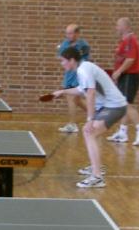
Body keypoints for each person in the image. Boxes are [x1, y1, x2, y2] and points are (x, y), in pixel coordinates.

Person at [53, 47, 127, 189]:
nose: (62, 64)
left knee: (89, 132)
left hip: (114, 106)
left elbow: (90, 94)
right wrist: (63, 92)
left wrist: (90, 120)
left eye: (63, 61)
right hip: (107, 106)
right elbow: (81, 90)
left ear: (71, 60)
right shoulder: (84, 68)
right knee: (92, 133)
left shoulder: (83, 70)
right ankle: (96, 167)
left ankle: (97, 177)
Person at [106, 17, 139, 146]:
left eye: (118, 25)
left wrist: (119, 71)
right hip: (125, 76)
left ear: (125, 26)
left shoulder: (131, 40)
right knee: (124, 103)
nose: (116, 28)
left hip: (130, 75)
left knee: (126, 104)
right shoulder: (124, 41)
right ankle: (122, 132)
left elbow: (131, 59)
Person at [56, 24, 91, 134]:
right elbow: (61, 56)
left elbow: (80, 59)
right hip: (68, 75)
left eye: (70, 33)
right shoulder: (65, 44)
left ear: (77, 33)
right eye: (67, 33)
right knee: (77, 100)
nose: (68, 35)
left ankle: (72, 124)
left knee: (71, 98)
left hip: (78, 74)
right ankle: (95, 115)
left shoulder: (83, 45)